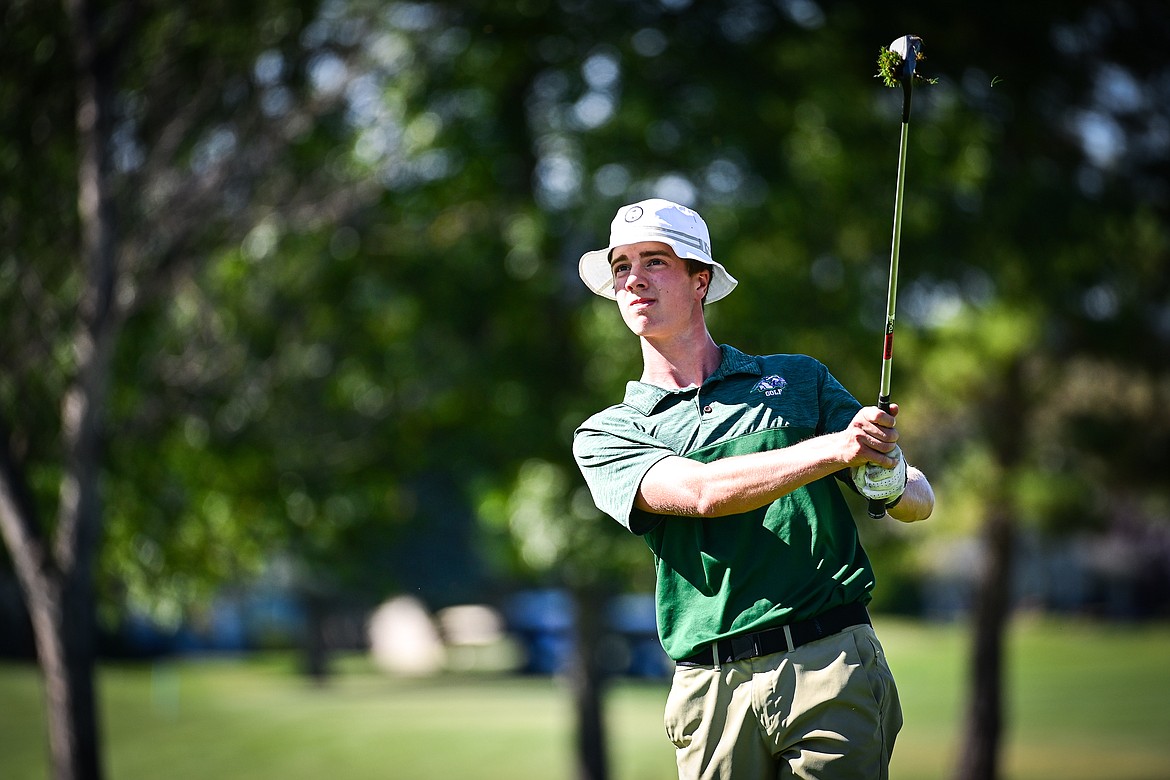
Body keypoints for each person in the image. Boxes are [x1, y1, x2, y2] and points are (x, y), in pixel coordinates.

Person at [572, 198, 934, 780]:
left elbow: (915, 497)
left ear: (700, 281)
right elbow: (698, 495)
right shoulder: (609, 433)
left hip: (828, 662)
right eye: (621, 267)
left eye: (655, 262)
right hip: (710, 691)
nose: (634, 279)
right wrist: (835, 448)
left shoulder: (799, 379)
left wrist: (888, 472)